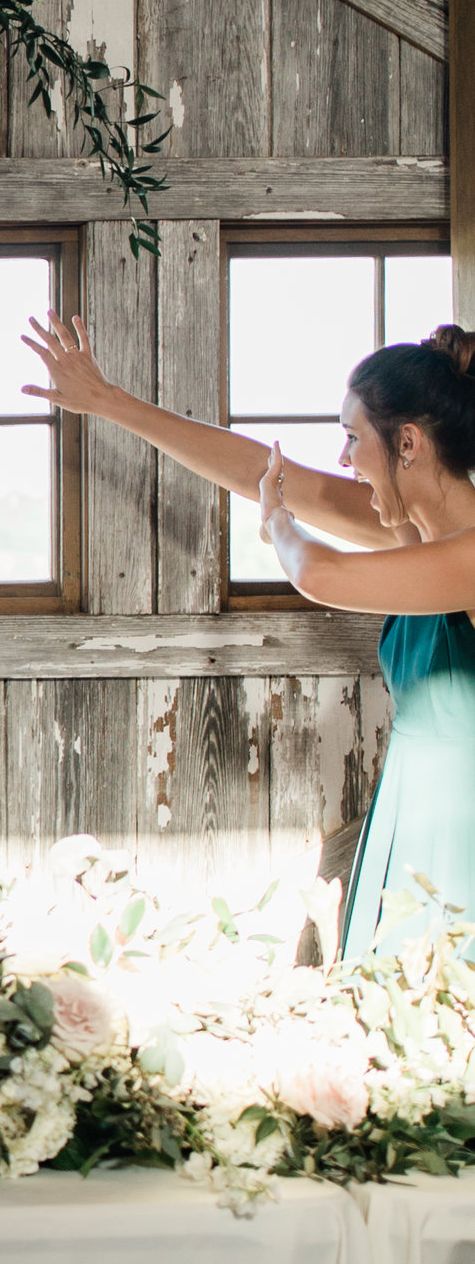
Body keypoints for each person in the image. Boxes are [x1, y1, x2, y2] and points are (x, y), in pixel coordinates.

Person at [26, 311, 475, 951]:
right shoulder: (414, 530)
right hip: (414, 800)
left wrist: (279, 526)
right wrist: (108, 402)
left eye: (353, 437)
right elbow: (262, 473)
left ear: (407, 444)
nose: (345, 459)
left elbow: (321, 572)